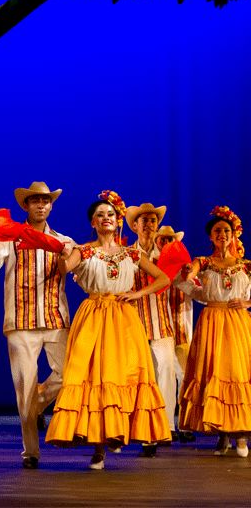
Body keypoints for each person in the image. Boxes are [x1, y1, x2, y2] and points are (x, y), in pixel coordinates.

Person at [46, 190, 172, 470]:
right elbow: (63, 269)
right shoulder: (85, 250)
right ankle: (98, 448)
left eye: (110, 214)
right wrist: (57, 251)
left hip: (123, 318)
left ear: (118, 222)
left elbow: (163, 278)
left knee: (122, 375)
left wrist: (139, 295)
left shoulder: (131, 253)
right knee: (94, 376)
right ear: (93, 222)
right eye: (99, 215)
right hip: (93, 315)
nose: (105, 218)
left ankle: (118, 432)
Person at [0, 182, 73, 469]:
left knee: (69, 376)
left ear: (51, 206)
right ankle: (31, 452)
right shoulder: (8, 239)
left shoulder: (64, 241)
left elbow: (77, 268)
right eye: (35, 201)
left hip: (55, 319)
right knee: (23, 388)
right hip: (21, 322)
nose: (40, 205)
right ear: (26, 206)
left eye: (45, 201)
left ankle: (38, 402)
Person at [176, 205, 251, 458]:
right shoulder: (204, 262)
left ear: (233, 235)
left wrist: (248, 303)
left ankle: (241, 433)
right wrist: (189, 271)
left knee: (237, 373)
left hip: (238, 322)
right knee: (214, 372)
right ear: (211, 236)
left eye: (226, 230)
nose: (222, 234)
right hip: (212, 321)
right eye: (217, 230)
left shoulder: (245, 265)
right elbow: (189, 278)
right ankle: (223, 434)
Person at [125, 202, 178, 455]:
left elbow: (183, 285)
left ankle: (164, 427)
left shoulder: (167, 255)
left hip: (161, 322)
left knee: (166, 370)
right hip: (133, 324)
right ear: (134, 225)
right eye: (144, 220)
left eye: (153, 221)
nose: (149, 225)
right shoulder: (125, 253)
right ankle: (131, 426)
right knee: (133, 376)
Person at [155, 225, 196, 443]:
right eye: (162, 240)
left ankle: (185, 423)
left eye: (170, 239)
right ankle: (166, 425)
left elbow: (198, 292)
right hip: (159, 329)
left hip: (181, 332)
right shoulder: (153, 264)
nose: (166, 243)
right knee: (163, 376)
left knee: (185, 377)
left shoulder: (184, 266)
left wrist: (187, 276)